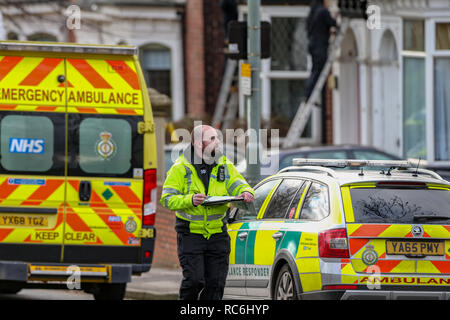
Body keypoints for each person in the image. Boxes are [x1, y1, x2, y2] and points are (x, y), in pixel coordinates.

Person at [160, 124, 254, 300]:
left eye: (217, 138)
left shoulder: (223, 163)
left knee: (216, 284)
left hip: (218, 233)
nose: (217, 142)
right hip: (191, 235)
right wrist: (190, 200)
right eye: (211, 139)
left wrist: (246, 192)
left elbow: (238, 183)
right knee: (194, 281)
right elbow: (166, 199)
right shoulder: (180, 167)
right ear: (197, 143)